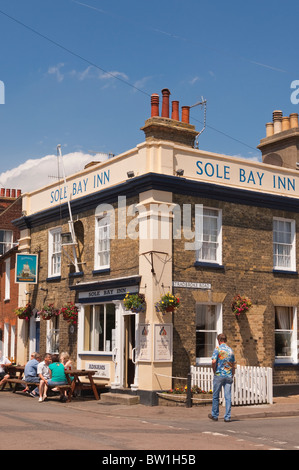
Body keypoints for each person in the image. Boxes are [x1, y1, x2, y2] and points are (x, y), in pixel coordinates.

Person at [208, 333, 236, 423]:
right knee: (228, 397)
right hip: (228, 376)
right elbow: (233, 365)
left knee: (215, 396)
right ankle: (227, 417)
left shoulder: (218, 349)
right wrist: (232, 375)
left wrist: (214, 370)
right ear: (226, 340)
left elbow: (214, 361)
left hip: (219, 375)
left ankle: (215, 415)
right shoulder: (230, 350)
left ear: (219, 340)